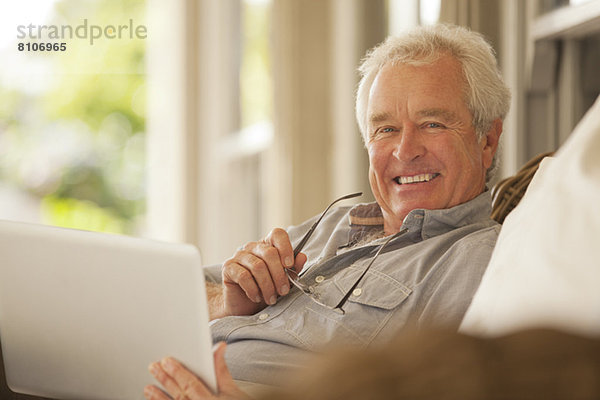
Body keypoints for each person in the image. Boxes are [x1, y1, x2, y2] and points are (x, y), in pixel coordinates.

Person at [144, 23, 511, 400]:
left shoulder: (477, 259)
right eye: (385, 129)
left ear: (487, 140)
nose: (405, 151)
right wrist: (226, 302)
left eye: (432, 124)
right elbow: (166, 293)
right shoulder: (334, 223)